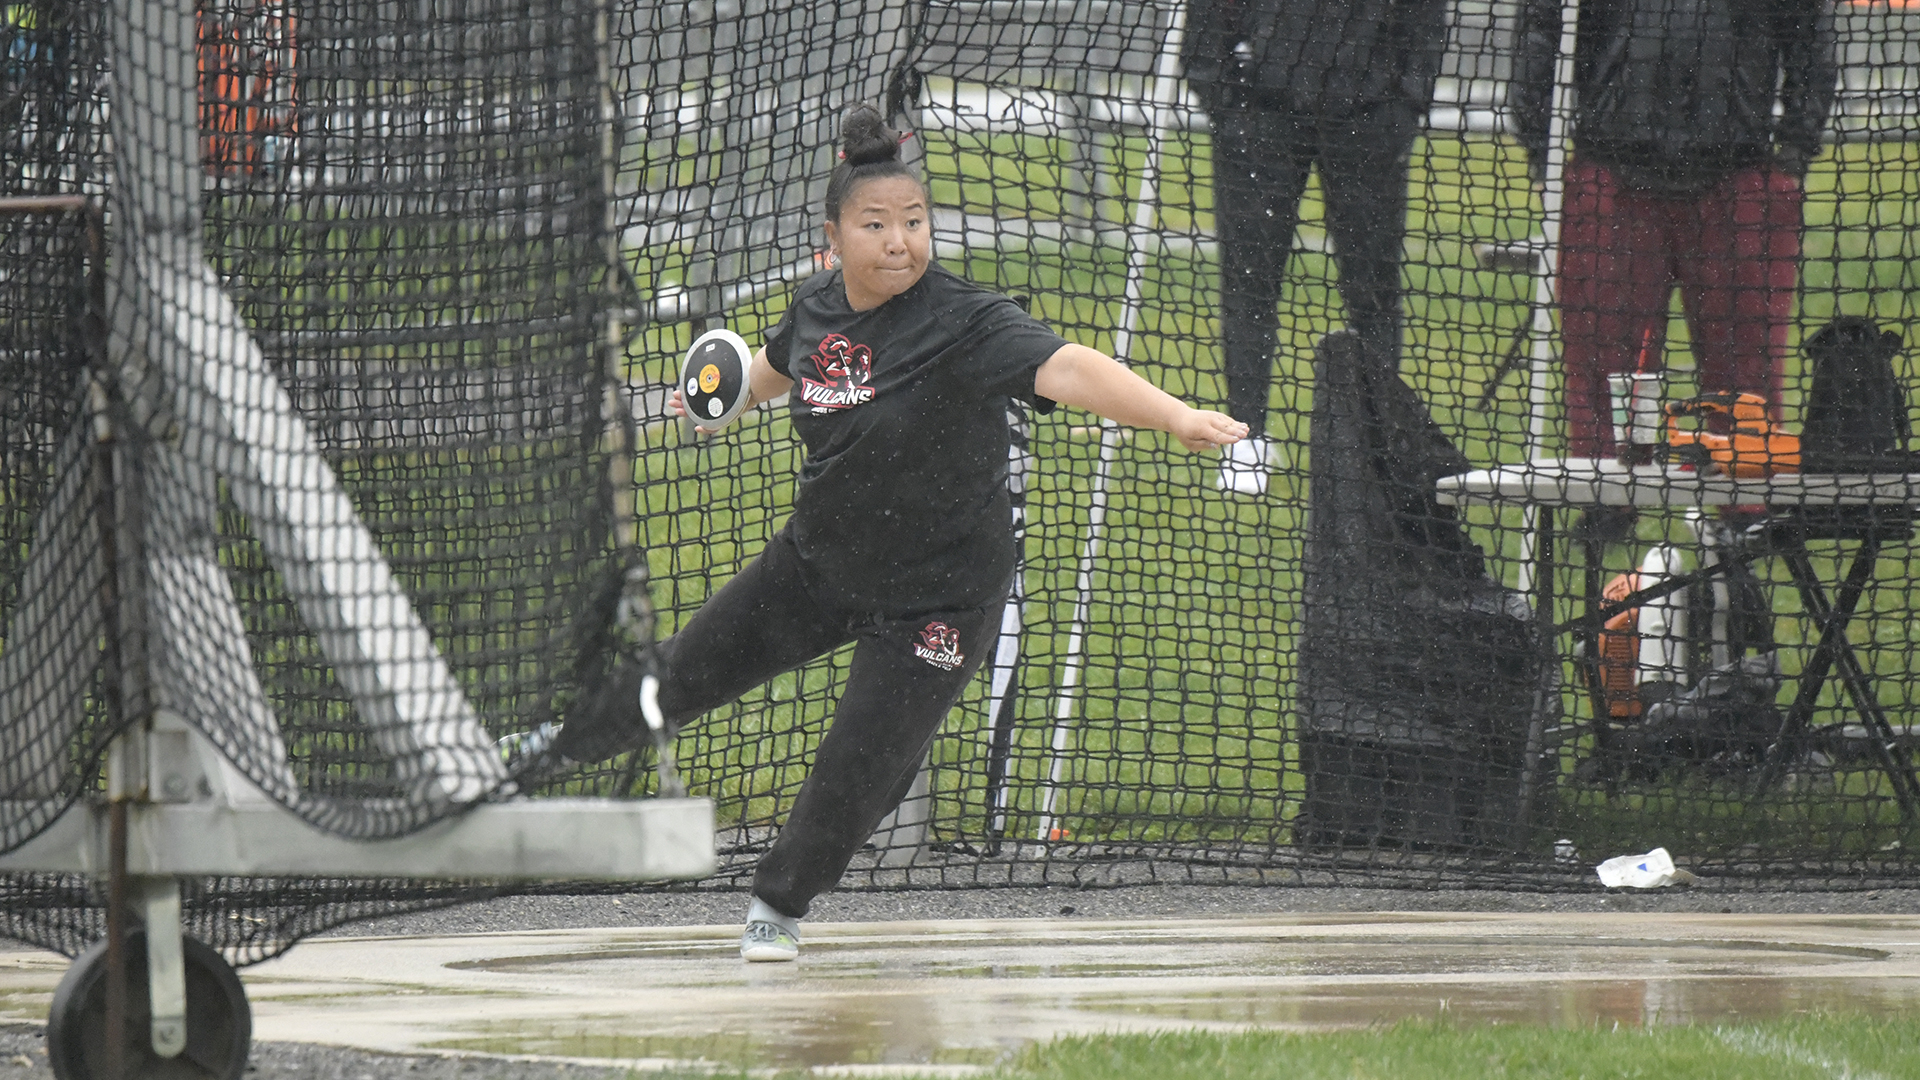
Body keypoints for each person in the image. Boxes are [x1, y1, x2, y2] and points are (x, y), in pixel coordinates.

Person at [521, 104, 1247, 963]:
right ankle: (544, 751)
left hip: (938, 599)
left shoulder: (966, 321)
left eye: (914, 221)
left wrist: (1174, 416)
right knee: (677, 675)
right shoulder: (817, 306)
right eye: (876, 225)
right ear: (831, 239)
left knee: (863, 760)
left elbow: (1070, 366)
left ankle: (776, 908)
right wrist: (722, 400)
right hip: (817, 568)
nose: (900, 241)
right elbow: (780, 365)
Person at [1514, 0, 1837, 472]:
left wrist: (1792, 155)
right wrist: (1542, 150)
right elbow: (1542, 27)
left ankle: (1745, 504)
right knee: (1605, 373)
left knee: (1746, 379)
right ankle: (1607, 497)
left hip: (1737, 174)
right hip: (1612, 170)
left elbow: (1810, 37)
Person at [1181, 0, 1448, 495]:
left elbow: (1425, 19)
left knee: (1372, 288)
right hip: (1259, 114)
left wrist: (1406, 99)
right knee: (1249, 280)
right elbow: (1207, 27)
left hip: (1369, 115)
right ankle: (1245, 438)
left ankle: (1378, 443)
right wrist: (1226, 97)